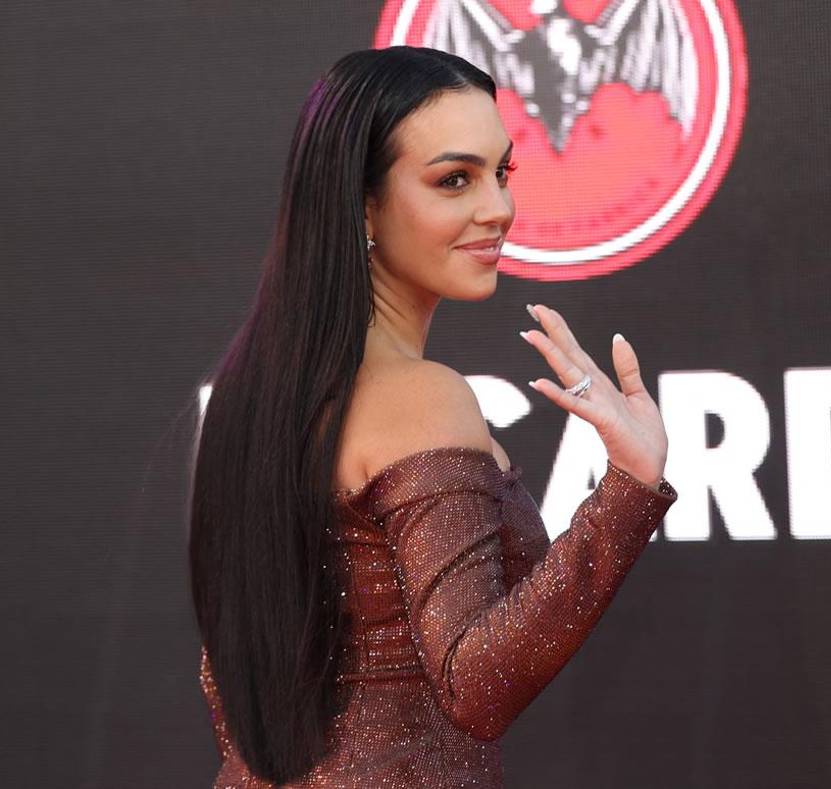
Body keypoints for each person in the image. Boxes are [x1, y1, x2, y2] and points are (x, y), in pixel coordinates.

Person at [189, 46, 677, 787]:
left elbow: (230, 690)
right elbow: (475, 681)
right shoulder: (422, 396)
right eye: (455, 179)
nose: (499, 208)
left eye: (502, 172)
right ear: (362, 204)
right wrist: (630, 485)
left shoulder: (248, 399)